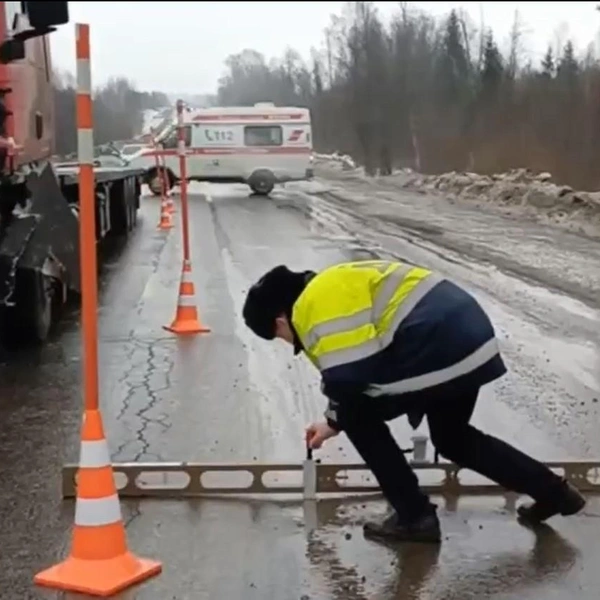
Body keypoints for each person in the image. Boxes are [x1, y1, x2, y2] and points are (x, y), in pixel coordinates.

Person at [242, 259, 586, 543]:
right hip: (470, 342)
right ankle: (556, 494)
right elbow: (359, 369)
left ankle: (414, 516)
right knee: (453, 438)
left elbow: (348, 381)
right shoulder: (336, 283)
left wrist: (338, 419)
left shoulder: (313, 306)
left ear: (279, 320)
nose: (292, 343)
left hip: (435, 345)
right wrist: (331, 422)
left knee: (358, 417)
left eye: (282, 338)